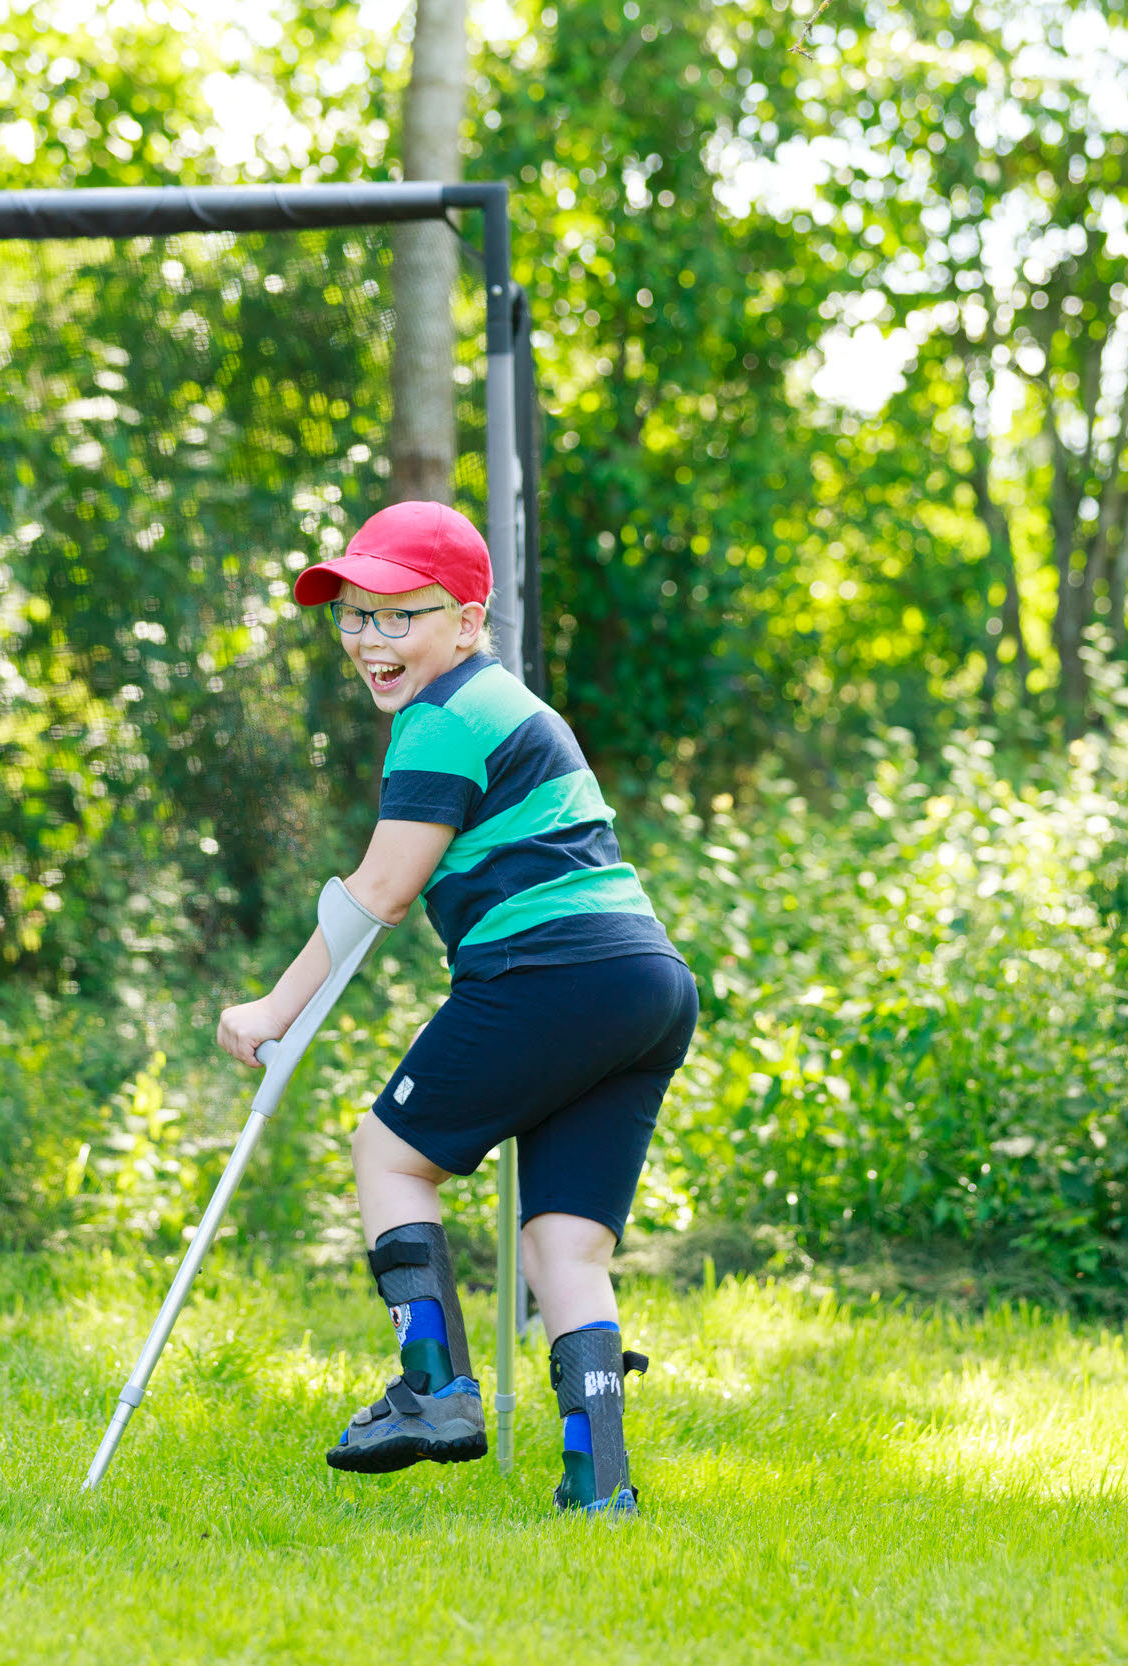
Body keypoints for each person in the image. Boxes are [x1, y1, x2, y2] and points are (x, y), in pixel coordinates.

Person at [216, 500, 696, 1515]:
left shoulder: (444, 718)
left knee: (389, 1152)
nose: (368, 640)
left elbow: (382, 890)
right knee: (564, 1244)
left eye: (398, 615)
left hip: (549, 970)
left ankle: (434, 1389)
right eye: (352, 616)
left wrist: (274, 1007)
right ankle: (597, 1488)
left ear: (467, 622)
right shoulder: (498, 703)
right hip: (644, 982)